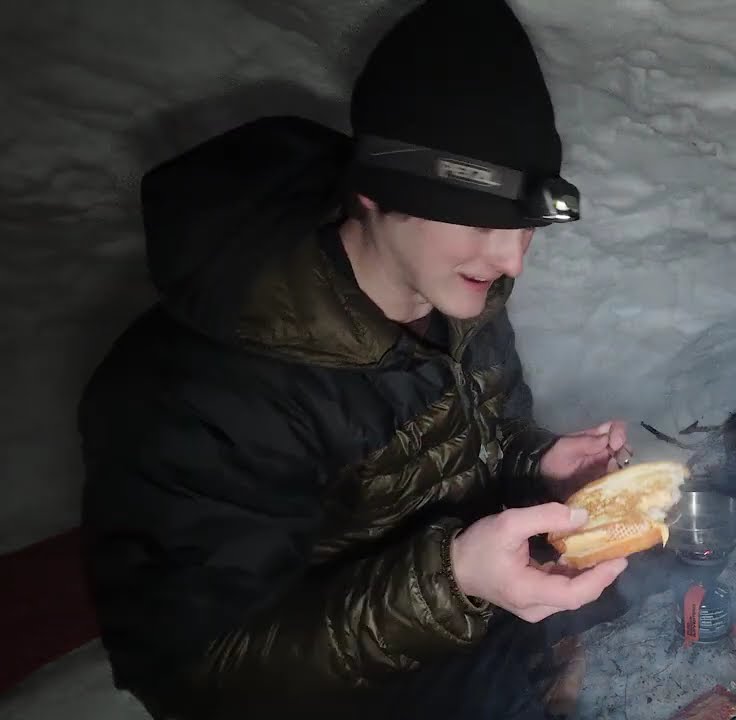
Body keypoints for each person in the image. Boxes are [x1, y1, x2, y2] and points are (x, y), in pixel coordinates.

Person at [76, 1, 638, 717]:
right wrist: (450, 584)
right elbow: (197, 675)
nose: (511, 261)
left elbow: (473, 439)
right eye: (480, 219)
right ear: (375, 189)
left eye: (524, 225)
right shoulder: (198, 389)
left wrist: (538, 461)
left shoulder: (461, 295)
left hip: (474, 630)